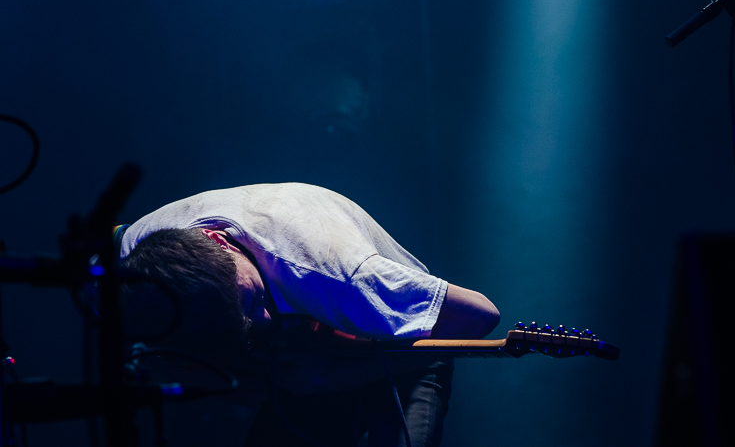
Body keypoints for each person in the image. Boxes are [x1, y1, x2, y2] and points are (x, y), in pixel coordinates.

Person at [118, 183, 500, 446]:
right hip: (309, 365)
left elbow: (479, 315)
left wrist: (338, 377)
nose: (264, 322)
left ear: (219, 241)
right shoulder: (132, 267)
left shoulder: (333, 272)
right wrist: (223, 378)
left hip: (409, 347)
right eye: (243, 329)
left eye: (252, 301)